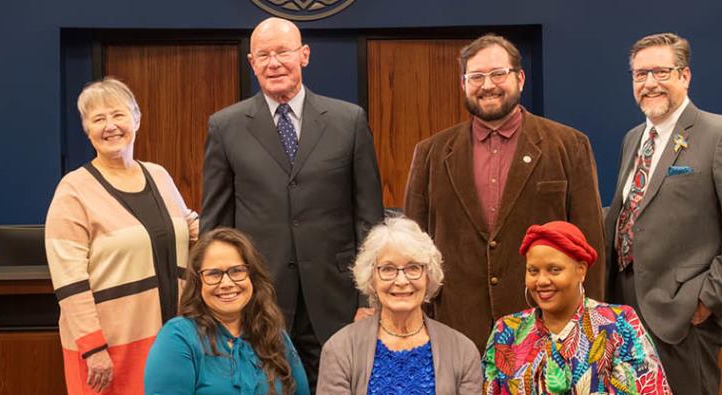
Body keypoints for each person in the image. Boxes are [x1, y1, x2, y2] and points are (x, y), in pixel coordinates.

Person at [201, 17, 384, 385]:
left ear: (304, 55)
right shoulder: (226, 127)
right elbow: (215, 229)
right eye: (263, 55)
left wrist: (369, 300)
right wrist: (220, 301)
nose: (274, 63)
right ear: (252, 63)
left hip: (338, 301)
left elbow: (370, 220)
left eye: (282, 52)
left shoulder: (348, 121)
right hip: (259, 300)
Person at [403, 33, 606, 350]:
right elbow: (411, 246)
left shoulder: (568, 145)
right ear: (463, 84)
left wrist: (588, 328)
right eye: (477, 77)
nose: (488, 85)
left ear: (520, 78)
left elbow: (590, 243)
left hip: (548, 327)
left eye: (498, 74)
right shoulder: (431, 153)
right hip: (456, 329)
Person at [603, 32, 722, 395]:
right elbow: (634, 212)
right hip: (623, 309)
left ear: (685, 75)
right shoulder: (633, 138)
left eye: (661, 72)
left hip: (683, 315)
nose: (650, 83)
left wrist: (708, 299)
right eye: (640, 74)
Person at [46, 77, 201, 394]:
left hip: (172, 337)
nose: (110, 126)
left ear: (137, 119)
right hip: (108, 350)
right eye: (98, 119)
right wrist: (92, 347)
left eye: (118, 115)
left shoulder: (158, 175)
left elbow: (190, 230)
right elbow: (68, 279)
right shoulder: (73, 190)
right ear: (87, 130)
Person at [484, 221, 669, 395]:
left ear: (581, 270)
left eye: (554, 269)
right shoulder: (506, 331)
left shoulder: (619, 324)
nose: (541, 281)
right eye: (533, 271)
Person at [316, 217, 483, 394]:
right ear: (371, 278)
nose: (401, 280)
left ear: (428, 275)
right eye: (388, 269)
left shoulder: (462, 351)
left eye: (413, 268)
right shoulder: (340, 349)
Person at [144, 228, 309, 394]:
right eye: (214, 274)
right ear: (198, 282)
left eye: (237, 271)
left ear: (252, 276)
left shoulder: (271, 331)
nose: (226, 283)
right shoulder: (178, 337)